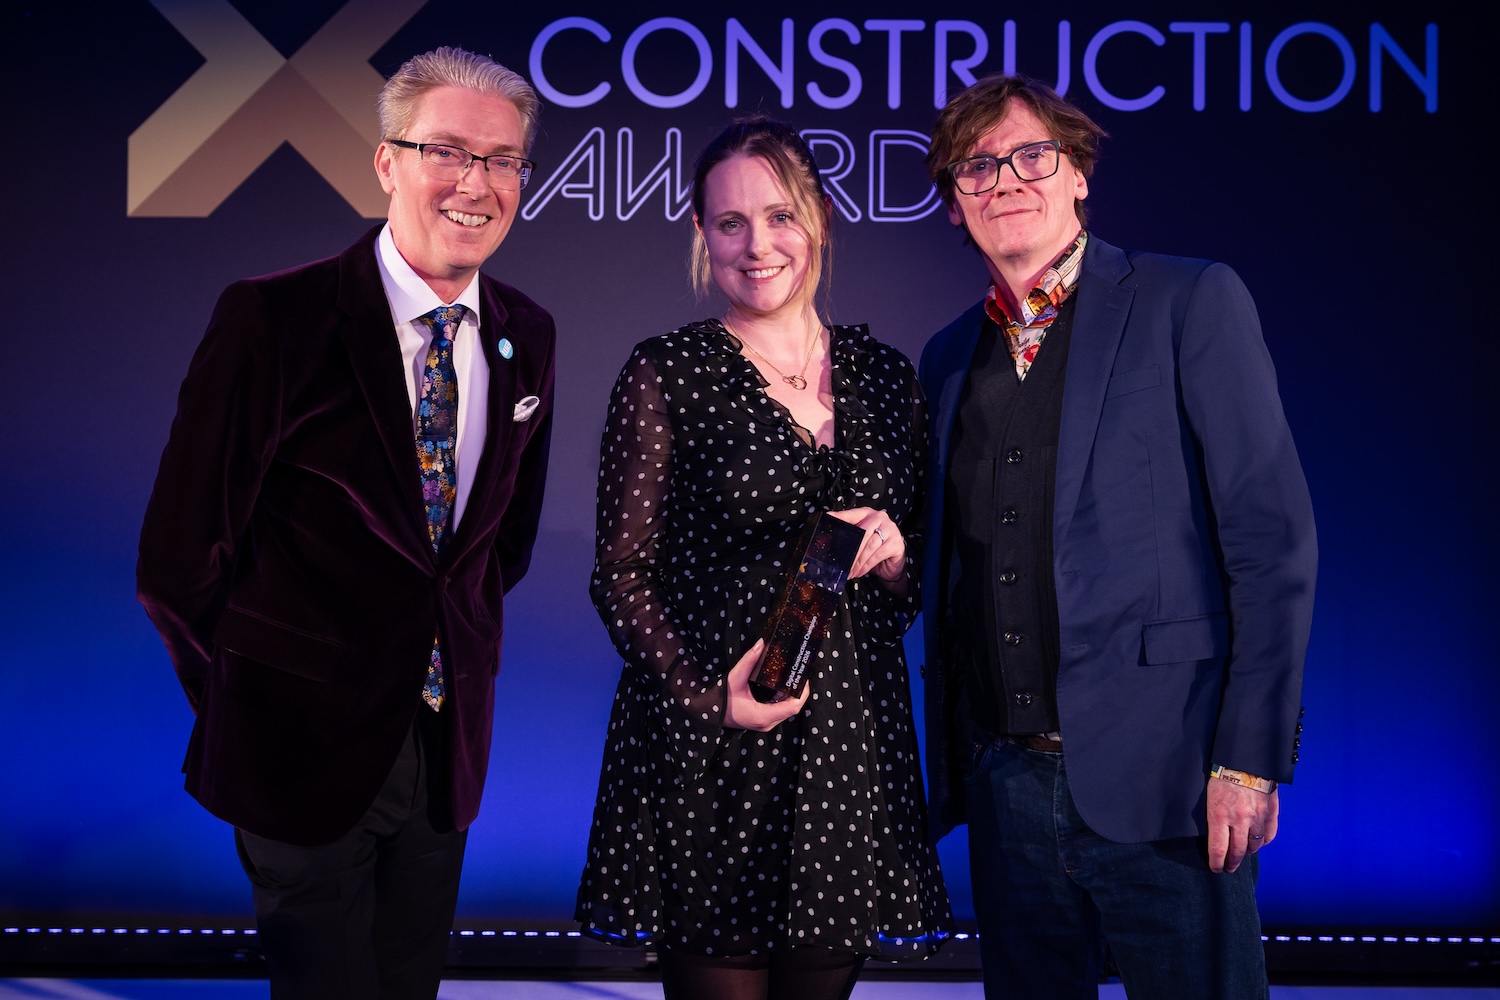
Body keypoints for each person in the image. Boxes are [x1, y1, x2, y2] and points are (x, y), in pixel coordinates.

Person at [136, 47, 554, 1000]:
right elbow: (176, 561)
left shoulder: (527, 333)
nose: (476, 184)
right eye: (447, 151)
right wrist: (260, 700)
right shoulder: (272, 318)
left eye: (502, 161)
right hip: (299, 750)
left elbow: (499, 547)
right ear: (386, 163)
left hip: (443, 749)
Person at [918, 74, 1317, 998]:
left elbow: (1272, 543)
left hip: (1171, 783)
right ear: (953, 203)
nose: (1006, 179)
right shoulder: (946, 358)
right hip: (1007, 787)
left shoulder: (1189, 302)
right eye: (977, 167)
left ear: (1079, 173)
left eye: (1030, 155)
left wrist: (1248, 759)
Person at [575, 115, 953, 1000]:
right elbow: (619, 577)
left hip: (847, 753)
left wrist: (898, 559)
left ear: (818, 218)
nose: (758, 246)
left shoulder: (886, 375)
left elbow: (915, 587)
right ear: (702, 235)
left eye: (780, 216)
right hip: (712, 749)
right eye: (730, 222)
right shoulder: (668, 371)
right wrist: (710, 698)